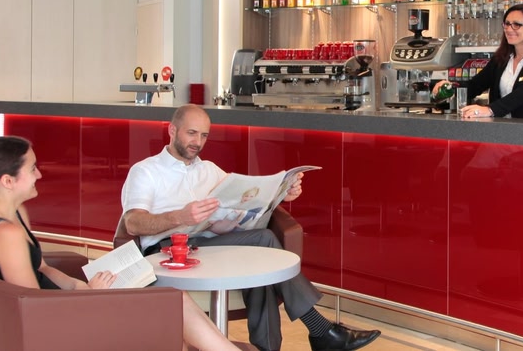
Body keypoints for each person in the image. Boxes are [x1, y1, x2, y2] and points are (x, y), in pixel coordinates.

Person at [121, 104, 380, 351]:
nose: (197, 142)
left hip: (207, 245)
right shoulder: (146, 171)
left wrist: (282, 194)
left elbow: (243, 199)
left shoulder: (209, 170)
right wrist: (180, 216)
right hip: (168, 251)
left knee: (262, 258)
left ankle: (301, 338)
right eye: (191, 133)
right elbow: (133, 223)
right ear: (172, 130)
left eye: (204, 135)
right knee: (263, 243)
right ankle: (321, 331)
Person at [0, 136, 242, 351]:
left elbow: (43, 269)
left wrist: (80, 287)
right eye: (32, 168)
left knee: (172, 307)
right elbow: (33, 309)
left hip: (57, 310)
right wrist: (86, 297)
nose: (39, 174)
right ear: (7, 181)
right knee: (173, 304)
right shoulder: (5, 234)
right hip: (54, 327)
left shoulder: (11, 215)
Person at [434, 3, 523, 119]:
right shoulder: (501, 58)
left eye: (516, 25)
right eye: (507, 24)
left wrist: (490, 110)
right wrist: (450, 87)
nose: (509, 29)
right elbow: (475, 85)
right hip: (500, 128)